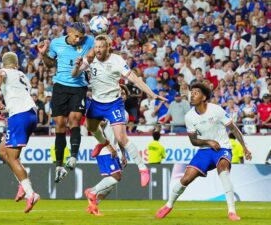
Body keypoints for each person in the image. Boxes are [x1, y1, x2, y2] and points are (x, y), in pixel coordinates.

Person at [73, 35, 167, 187]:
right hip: (96, 102)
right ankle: (103, 143)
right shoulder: (90, 59)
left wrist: (152, 94)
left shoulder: (117, 60)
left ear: (107, 47)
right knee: (90, 127)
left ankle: (142, 168)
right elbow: (75, 74)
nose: (97, 49)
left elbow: (135, 80)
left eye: (101, 46)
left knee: (121, 138)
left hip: (113, 103)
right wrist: (77, 66)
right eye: (96, 46)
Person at [156, 83, 252, 221]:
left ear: (204, 97)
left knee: (223, 168)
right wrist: (208, 142)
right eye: (191, 92)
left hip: (222, 147)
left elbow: (233, 128)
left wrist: (244, 147)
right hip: (204, 151)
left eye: (196, 92)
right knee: (186, 178)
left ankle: (231, 211)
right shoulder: (189, 116)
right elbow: (193, 141)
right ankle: (168, 205)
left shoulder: (216, 110)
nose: (192, 95)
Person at [37, 22, 94, 183]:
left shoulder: (89, 41)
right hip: (60, 86)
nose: (79, 40)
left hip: (79, 87)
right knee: (60, 124)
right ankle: (59, 164)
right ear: (69, 32)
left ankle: (74, 157)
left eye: (81, 37)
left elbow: (99, 47)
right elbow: (50, 64)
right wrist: (43, 54)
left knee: (74, 119)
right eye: (76, 36)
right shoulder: (56, 43)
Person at [0, 52, 39, 213]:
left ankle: (30, 193)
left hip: (20, 115)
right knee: (2, 151)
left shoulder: (6, 72)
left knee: (12, 157)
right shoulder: (23, 76)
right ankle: (22, 183)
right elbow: (18, 98)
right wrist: (3, 109)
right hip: (30, 113)